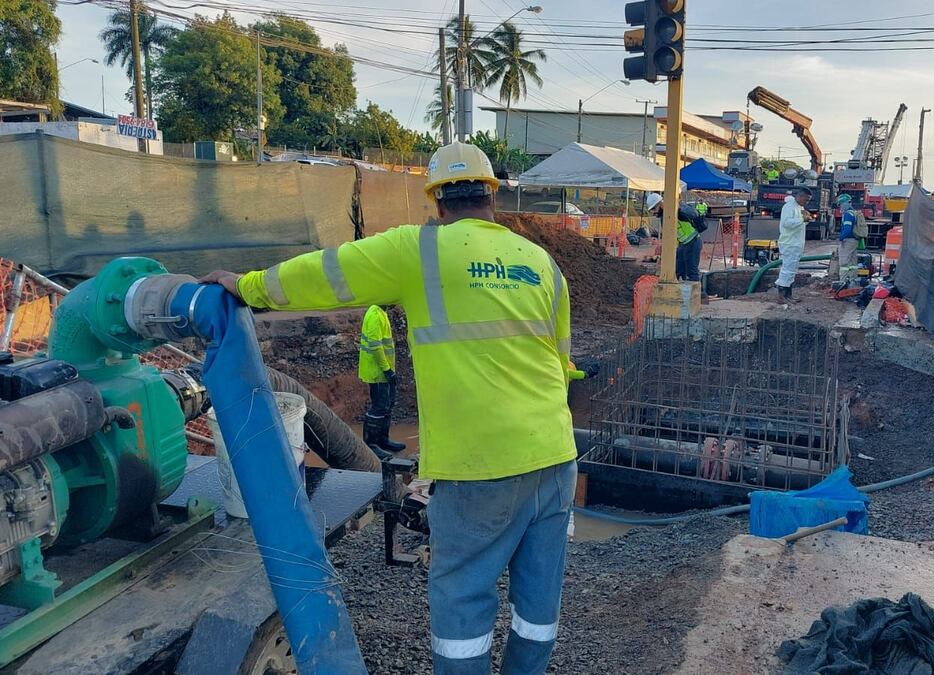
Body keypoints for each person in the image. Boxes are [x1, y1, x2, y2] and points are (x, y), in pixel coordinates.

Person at [201, 141, 577, 675]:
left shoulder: (420, 249)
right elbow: (560, 364)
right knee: (538, 606)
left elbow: (325, 274)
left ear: (437, 203)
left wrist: (248, 286)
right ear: (491, 196)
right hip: (556, 458)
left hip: (480, 468)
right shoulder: (543, 264)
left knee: (464, 604)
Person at [360, 304, 406, 460]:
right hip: (377, 371)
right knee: (380, 407)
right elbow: (375, 346)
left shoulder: (381, 312)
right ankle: (371, 444)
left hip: (383, 370)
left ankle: (382, 440)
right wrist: (386, 370)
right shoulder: (375, 315)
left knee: (388, 405)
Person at [646, 192, 704, 281]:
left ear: (660, 204)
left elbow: (692, 213)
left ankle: (696, 293)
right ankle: (680, 291)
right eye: (651, 210)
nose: (653, 212)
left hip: (693, 241)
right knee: (678, 270)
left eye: (654, 209)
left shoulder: (677, 210)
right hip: (683, 244)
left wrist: (680, 210)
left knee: (691, 271)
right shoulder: (665, 217)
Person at [775, 189, 811, 303]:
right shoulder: (789, 207)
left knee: (792, 269)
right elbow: (787, 223)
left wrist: (806, 219)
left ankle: (788, 295)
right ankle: (782, 296)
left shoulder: (800, 208)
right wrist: (802, 219)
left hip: (796, 242)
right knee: (787, 269)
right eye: (806, 200)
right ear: (799, 196)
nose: (807, 203)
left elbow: (802, 222)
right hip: (789, 243)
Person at [836, 193, 865, 283]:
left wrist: (841, 238)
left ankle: (842, 282)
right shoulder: (854, 213)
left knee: (844, 263)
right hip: (854, 240)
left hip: (848, 241)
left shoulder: (848, 214)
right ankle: (853, 282)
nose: (840, 207)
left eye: (840, 204)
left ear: (844, 203)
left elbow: (847, 229)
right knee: (853, 263)